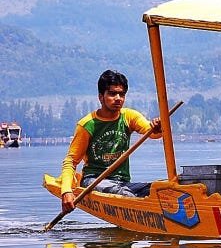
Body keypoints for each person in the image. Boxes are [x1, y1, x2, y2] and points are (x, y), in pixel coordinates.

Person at [59, 70, 162, 211]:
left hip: (122, 182)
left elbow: (151, 132)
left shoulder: (129, 116)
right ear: (101, 97)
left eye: (122, 94)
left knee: (159, 190)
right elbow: (71, 161)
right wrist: (66, 191)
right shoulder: (87, 125)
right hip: (94, 181)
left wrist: (158, 127)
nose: (118, 98)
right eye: (112, 94)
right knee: (128, 195)